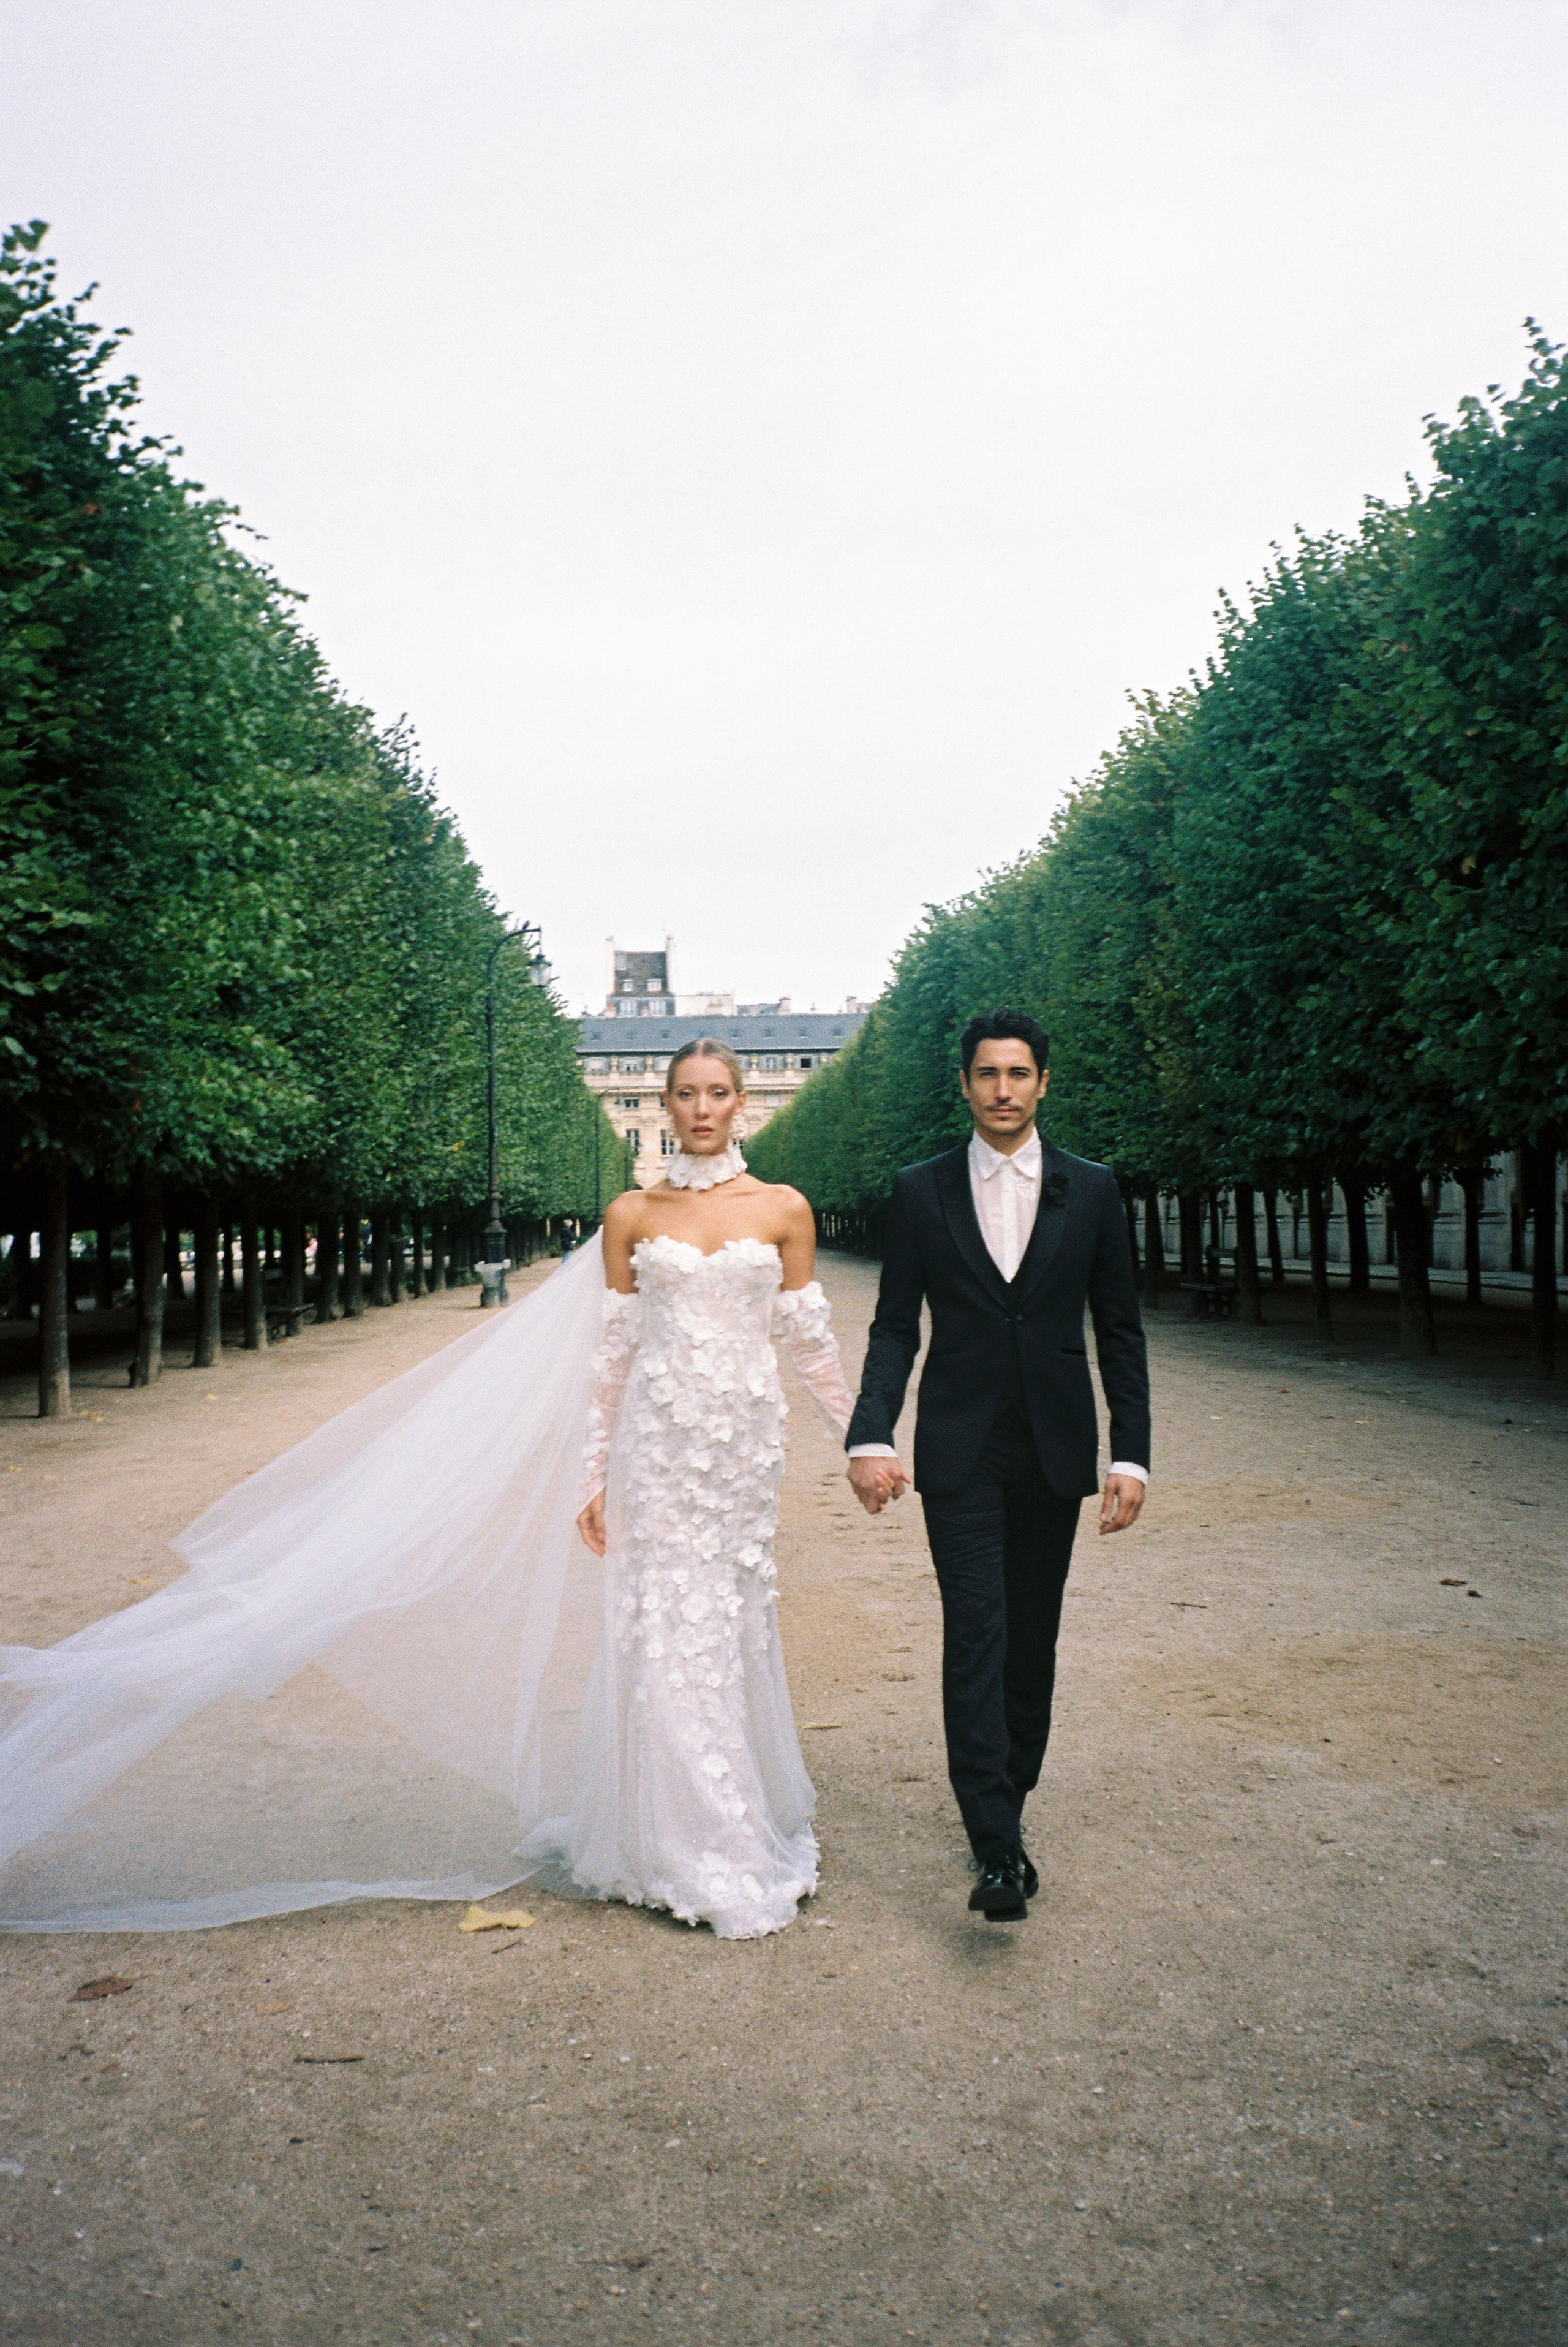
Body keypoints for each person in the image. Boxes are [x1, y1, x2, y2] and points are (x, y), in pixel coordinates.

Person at [0, 1041, 855, 1942]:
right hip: (663, 1454)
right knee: (670, 1637)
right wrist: (594, 1474)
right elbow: (611, 1362)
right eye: (685, 1093)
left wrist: (861, 1439)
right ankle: (696, 1844)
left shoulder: (784, 1210)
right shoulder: (631, 1213)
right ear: (667, 1101)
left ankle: (706, 1819)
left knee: (734, 1624)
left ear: (744, 1101)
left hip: (744, 1461)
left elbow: (810, 1344)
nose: (701, 1108)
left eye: (718, 1093)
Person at [844, 1008, 1150, 1922]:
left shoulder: (1093, 1191)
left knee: (1032, 1638)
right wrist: (871, 1434)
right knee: (977, 1627)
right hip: (961, 1445)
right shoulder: (920, 1190)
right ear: (965, 1084)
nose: (1003, 1090)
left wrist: (1132, 1452)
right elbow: (896, 1324)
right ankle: (995, 1844)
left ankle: (1009, 1792)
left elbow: (1122, 1331)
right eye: (987, 1074)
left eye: (1019, 1074)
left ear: (1043, 1083)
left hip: (1053, 1446)